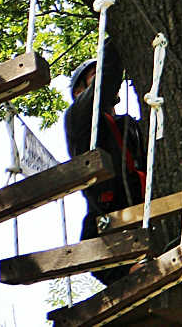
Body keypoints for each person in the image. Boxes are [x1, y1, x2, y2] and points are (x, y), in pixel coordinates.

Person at [64, 39, 146, 285]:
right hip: (109, 206)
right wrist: (116, 34)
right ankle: (129, 274)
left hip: (141, 201)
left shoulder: (128, 125)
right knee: (97, 245)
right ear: (80, 92)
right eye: (93, 75)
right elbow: (107, 79)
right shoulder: (78, 116)